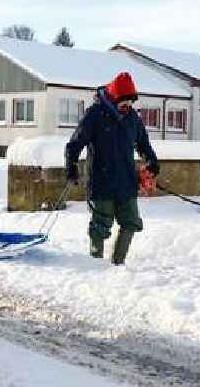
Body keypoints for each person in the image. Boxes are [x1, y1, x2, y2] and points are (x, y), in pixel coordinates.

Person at [65, 71, 160, 265]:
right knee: (101, 226)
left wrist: (151, 160)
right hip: (102, 181)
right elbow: (75, 143)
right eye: (125, 102)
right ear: (115, 97)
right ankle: (95, 265)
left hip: (126, 180)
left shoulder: (132, 117)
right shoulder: (95, 114)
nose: (129, 106)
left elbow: (143, 143)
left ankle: (118, 264)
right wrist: (71, 166)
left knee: (131, 222)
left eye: (131, 103)